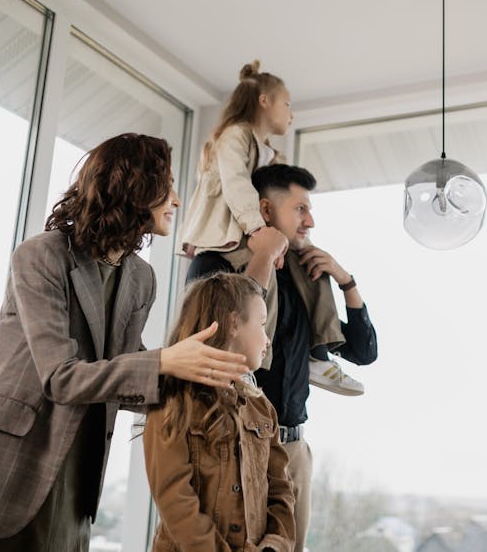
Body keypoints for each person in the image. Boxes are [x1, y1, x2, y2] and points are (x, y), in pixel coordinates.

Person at [0, 133, 250, 552]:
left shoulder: (141, 278)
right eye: (168, 186)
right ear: (135, 186)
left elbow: (124, 373)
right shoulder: (41, 256)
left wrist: (202, 376)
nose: (176, 200)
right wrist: (164, 362)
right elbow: (61, 377)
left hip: (73, 482)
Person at [186, 164, 378, 551]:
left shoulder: (305, 278)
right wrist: (263, 256)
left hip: (293, 451)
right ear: (266, 210)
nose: (310, 221)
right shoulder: (215, 265)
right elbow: (218, 345)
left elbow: (363, 351)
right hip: (234, 446)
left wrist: (345, 280)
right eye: (300, 209)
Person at [180, 59, 364, 396]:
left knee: (310, 263)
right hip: (230, 237)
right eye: (287, 104)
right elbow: (237, 185)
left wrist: (297, 246)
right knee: (267, 285)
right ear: (264, 101)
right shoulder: (235, 136)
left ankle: (318, 356)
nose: (291, 114)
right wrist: (259, 231)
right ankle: (257, 362)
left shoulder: (271, 154)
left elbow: (276, 200)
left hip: (251, 233)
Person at [143, 272, 295, 552]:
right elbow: (176, 502)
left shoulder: (262, 408)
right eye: (262, 324)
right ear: (234, 323)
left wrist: (273, 546)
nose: (268, 340)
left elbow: (281, 492)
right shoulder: (173, 402)